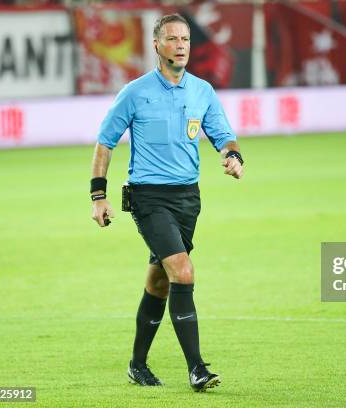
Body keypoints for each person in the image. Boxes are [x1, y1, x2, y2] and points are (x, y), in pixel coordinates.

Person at [89, 13, 244, 392]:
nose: (181, 45)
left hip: (188, 199)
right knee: (183, 270)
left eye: (186, 39)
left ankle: (137, 365)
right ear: (156, 45)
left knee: (159, 281)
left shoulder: (202, 92)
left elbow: (224, 135)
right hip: (148, 197)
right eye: (172, 39)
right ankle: (196, 368)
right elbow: (105, 143)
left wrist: (233, 155)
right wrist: (98, 196)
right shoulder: (135, 92)